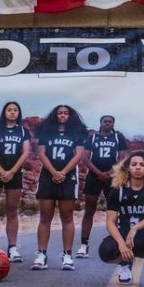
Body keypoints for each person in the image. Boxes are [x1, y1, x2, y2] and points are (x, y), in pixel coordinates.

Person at [98, 151, 144, 287]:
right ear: (127, 168)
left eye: (142, 165)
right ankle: (125, 264)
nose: (138, 167)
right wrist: (121, 244)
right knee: (105, 250)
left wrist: (135, 228)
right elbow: (110, 222)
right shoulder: (117, 191)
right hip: (126, 239)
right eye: (134, 164)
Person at [34, 105, 88, 270]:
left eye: (66, 113)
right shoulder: (46, 132)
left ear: (70, 116)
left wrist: (63, 172)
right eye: (60, 113)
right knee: (45, 217)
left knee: (67, 217)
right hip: (47, 177)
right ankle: (42, 254)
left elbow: (78, 155)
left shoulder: (76, 133)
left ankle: (67, 255)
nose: (63, 115)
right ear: (55, 115)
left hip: (68, 177)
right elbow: (41, 154)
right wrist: (53, 172)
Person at [0, 101, 31, 263]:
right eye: (9, 110)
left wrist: (12, 171)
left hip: (15, 174)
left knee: (12, 210)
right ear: (4, 112)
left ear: (19, 113)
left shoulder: (23, 131)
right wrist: (2, 171)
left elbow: (25, 153)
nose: (12, 112)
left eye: (15, 110)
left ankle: (12, 247)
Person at [77, 115, 128, 259]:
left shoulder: (118, 138)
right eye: (105, 121)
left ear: (113, 123)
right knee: (89, 210)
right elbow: (85, 157)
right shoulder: (92, 138)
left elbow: (122, 158)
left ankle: (118, 243)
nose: (107, 123)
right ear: (100, 123)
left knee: (114, 210)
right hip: (94, 176)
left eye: (110, 121)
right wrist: (98, 172)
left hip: (113, 177)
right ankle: (84, 245)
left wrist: (110, 172)